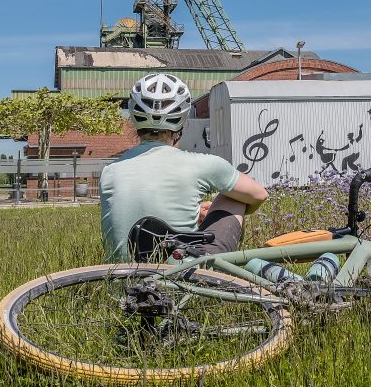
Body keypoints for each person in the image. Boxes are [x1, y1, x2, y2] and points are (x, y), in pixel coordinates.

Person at [100, 73, 269, 262]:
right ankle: (223, 273)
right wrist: (213, 212)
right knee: (235, 196)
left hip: (121, 284)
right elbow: (259, 194)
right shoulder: (202, 163)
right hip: (184, 282)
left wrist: (193, 211)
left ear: (134, 119)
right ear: (182, 120)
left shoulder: (110, 171)